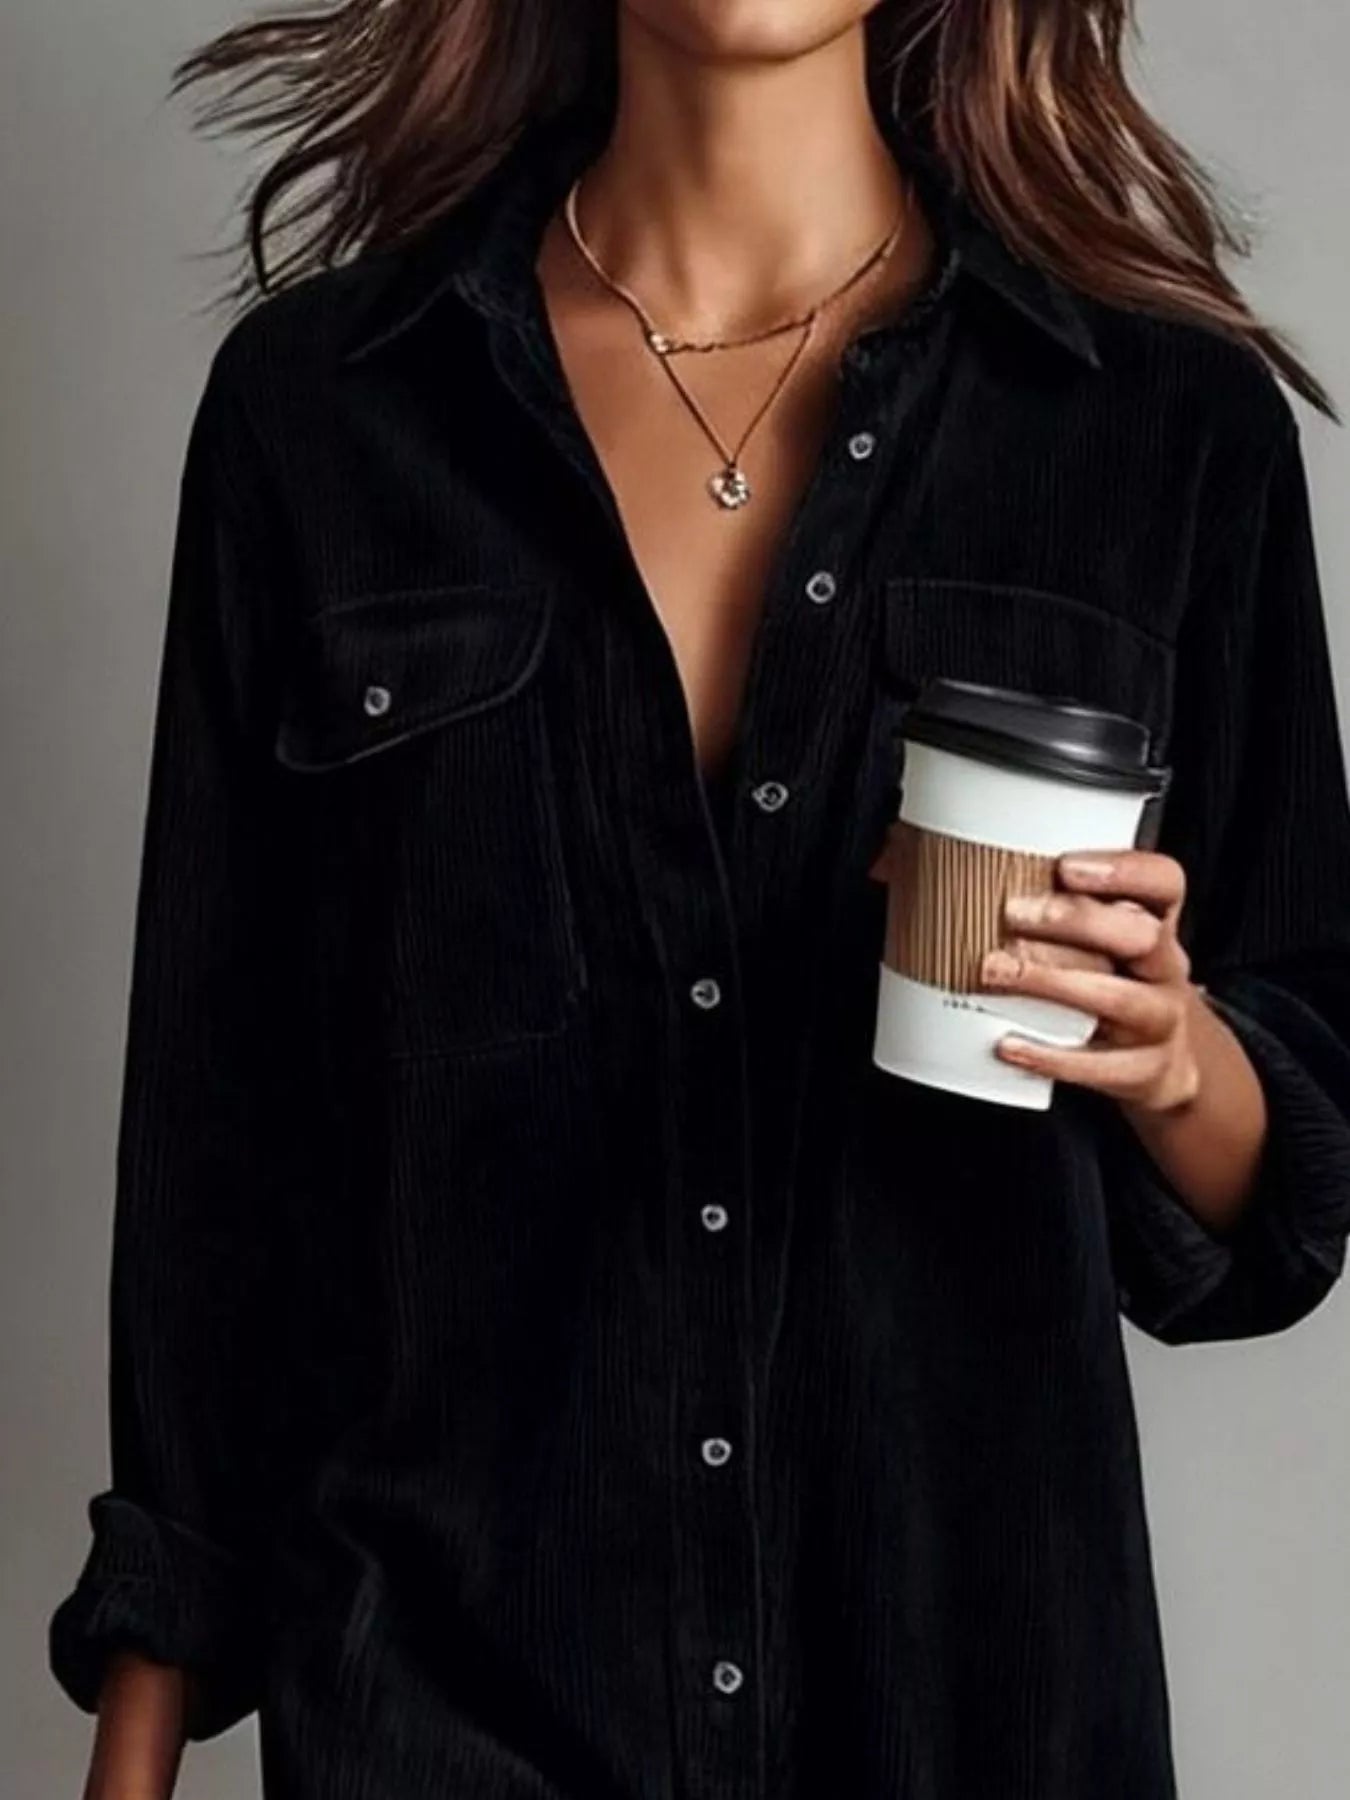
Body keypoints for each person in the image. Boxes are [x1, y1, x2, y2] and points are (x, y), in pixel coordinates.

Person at [48, 2, 1350, 1797]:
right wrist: (132, 1749)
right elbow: (220, 1143)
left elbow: (1289, 1177)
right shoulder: (324, 412)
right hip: (441, 1703)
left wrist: (1175, 1054)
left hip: (968, 1708)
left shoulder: (1164, 433)